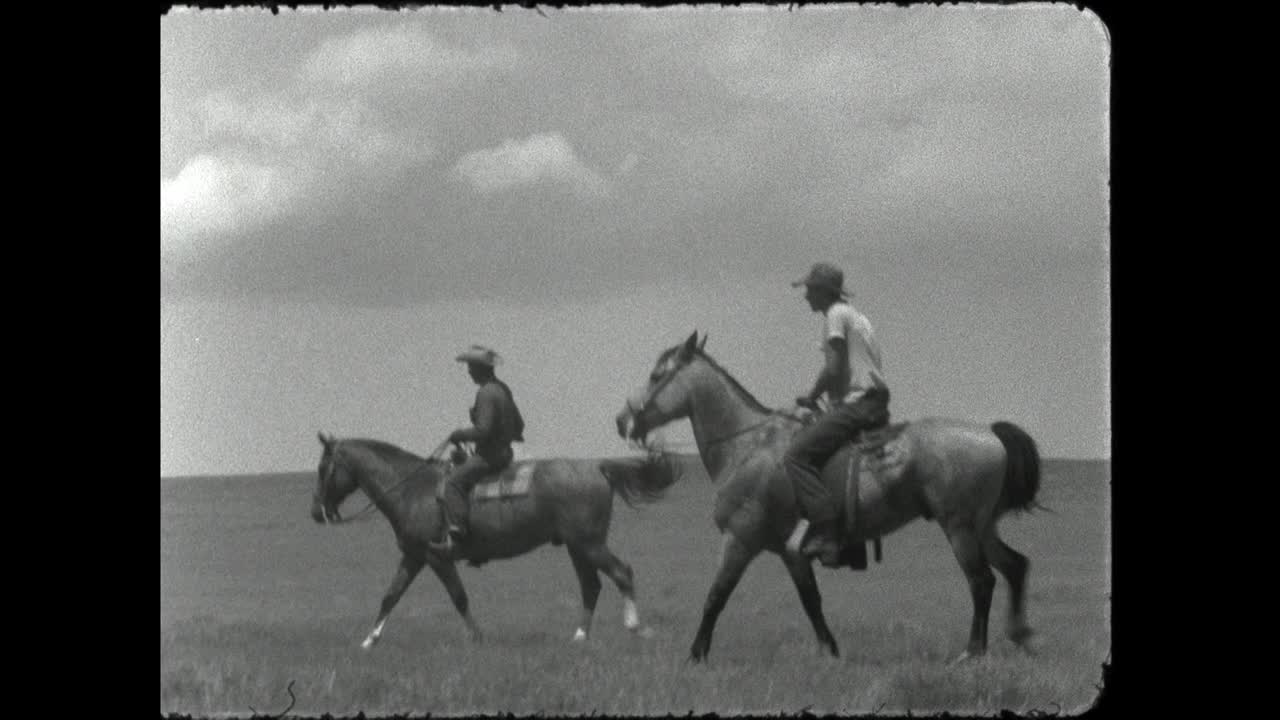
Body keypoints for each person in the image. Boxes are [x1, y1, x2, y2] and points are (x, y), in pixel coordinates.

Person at [783, 262, 890, 567]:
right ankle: (852, 544)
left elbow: (833, 368)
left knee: (797, 456)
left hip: (858, 403)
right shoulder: (857, 316)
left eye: (809, 289)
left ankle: (828, 534)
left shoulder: (835, 316)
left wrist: (812, 396)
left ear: (822, 291)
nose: (805, 296)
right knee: (833, 458)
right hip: (872, 400)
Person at [428, 345, 525, 553]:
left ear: (481, 369)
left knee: (453, 482)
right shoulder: (503, 389)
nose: (469, 372)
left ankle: (458, 532)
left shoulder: (486, 393)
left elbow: (483, 430)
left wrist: (459, 434)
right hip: (505, 453)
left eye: (471, 367)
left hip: (489, 457)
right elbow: (520, 426)